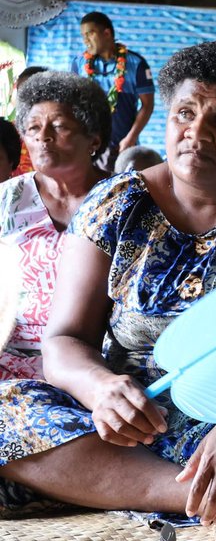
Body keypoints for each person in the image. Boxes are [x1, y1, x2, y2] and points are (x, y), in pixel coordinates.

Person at [0, 38, 216, 534]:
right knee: (8, 409)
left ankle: (105, 482)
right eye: (184, 113)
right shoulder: (116, 205)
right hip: (128, 418)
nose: (195, 134)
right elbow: (63, 342)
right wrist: (101, 388)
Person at [1, 72, 109, 380]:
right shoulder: (6, 201)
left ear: (94, 139)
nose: (42, 136)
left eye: (59, 126)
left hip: (95, 364)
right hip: (11, 358)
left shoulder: (123, 199)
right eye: (33, 127)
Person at [68, 12, 155, 172]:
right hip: (90, 147)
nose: (85, 40)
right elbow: (73, 104)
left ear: (107, 33)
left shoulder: (136, 63)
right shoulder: (78, 63)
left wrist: (131, 137)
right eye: (83, 35)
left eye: (90, 33)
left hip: (123, 147)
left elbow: (147, 104)